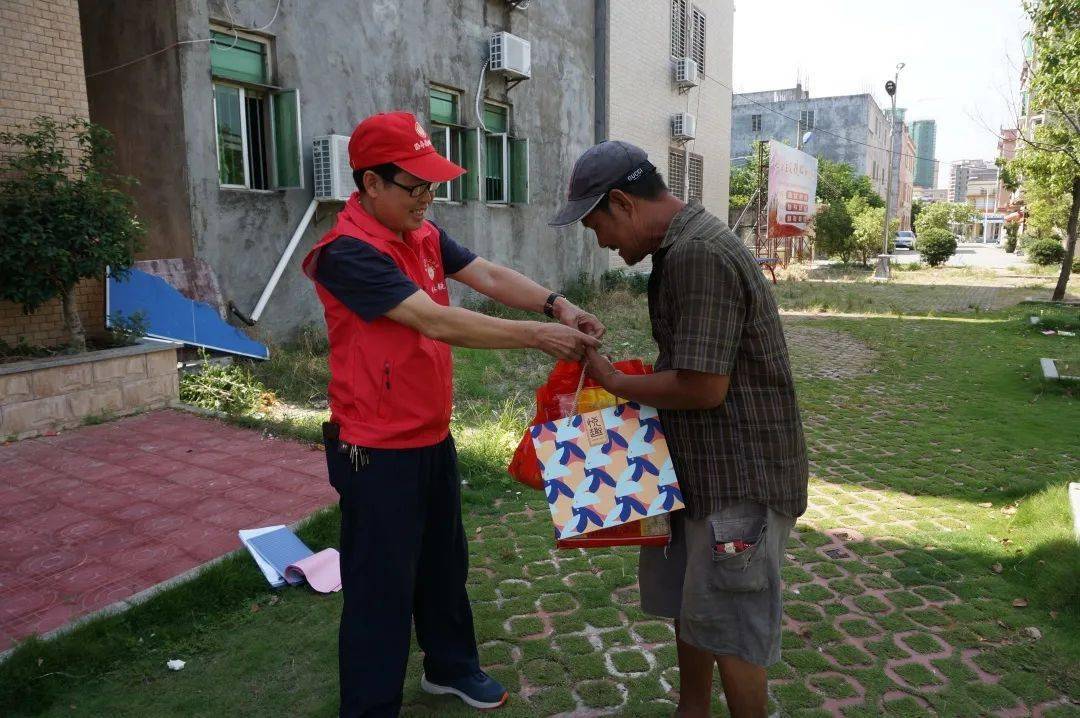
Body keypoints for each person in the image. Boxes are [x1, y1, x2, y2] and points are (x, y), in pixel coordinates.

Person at [303, 111, 603, 717]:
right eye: (413, 187)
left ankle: (450, 666)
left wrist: (558, 306)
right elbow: (434, 320)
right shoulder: (347, 255)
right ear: (370, 185)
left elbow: (486, 274)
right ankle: (370, 706)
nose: (425, 198)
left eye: (431, 185)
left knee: (443, 562)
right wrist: (537, 338)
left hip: (431, 435)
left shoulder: (425, 235)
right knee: (380, 587)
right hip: (374, 447)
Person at [550, 141, 808, 718]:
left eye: (598, 226)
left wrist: (616, 382)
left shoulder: (698, 254)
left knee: (734, 633)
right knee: (697, 611)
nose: (603, 243)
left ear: (623, 202)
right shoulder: (679, 248)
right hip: (701, 474)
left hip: (740, 485)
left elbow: (703, 386)